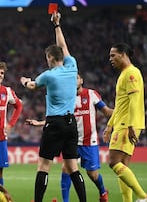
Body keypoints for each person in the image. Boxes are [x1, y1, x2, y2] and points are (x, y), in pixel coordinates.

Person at [20, 12, 86, 202]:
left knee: (43, 166)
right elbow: (64, 46)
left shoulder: (48, 75)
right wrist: (57, 25)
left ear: (49, 57)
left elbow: (32, 86)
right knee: (73, 167)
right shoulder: (72, 66)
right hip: (71, 122)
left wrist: (25, 81)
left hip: (55, 123)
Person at [26, 73, 112, 202]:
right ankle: (65, 200)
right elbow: (59, 118)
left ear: (81, 80)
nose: (74, 81)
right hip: (71, 139)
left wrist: (120, 115)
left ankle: (102, 191)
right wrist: (40, 123)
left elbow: (106, 111)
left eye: (76, 78)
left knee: (92, 174)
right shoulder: (67, 97)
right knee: (66, 168)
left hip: (89, 140)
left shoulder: (91, 94)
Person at [103, 43, 147, 202]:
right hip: (123, 123)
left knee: (113, 162)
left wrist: (130, 126)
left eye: (113, 55)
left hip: (126, 124)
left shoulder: (131, 73)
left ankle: (144, 197)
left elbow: (134, 101)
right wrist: (110, 125)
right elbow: (120, 105)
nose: (110, 59)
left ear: (123, 54)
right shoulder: (124, 74)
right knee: (122, 165)